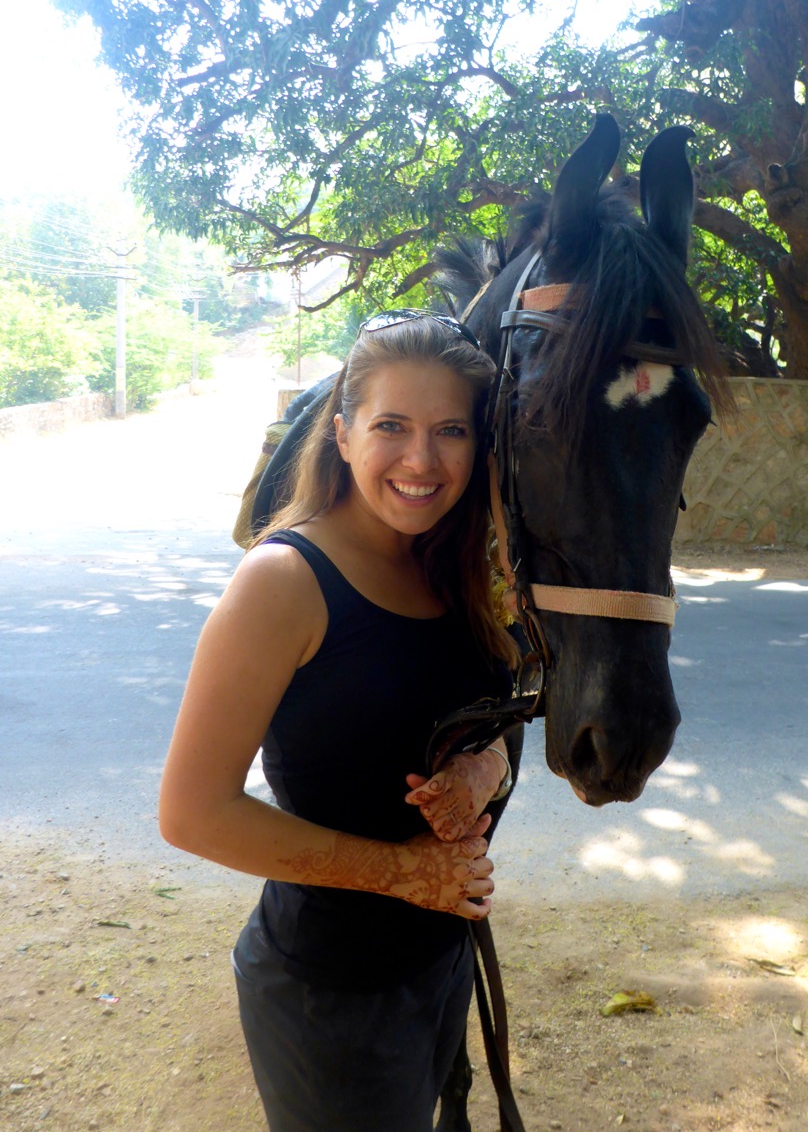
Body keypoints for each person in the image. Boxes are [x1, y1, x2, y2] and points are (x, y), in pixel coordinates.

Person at [158, 310, 520, 1132]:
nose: (422, 460)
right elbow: (190, 813)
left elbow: (503, 710)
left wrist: (483, 765)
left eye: (451, 430)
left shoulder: (452, 562)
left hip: (437, 961)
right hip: (328, 991)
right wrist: (404, 873)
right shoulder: (284, 581)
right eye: (391, 425)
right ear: (343, 431)